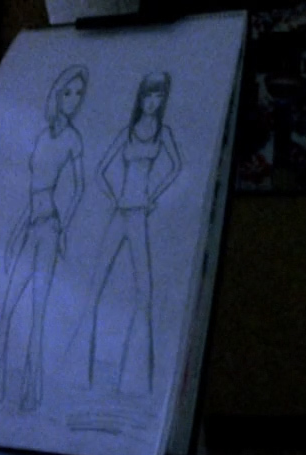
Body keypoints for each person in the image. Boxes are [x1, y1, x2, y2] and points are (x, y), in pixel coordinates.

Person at [0, 64, 89, 411]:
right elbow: (32, 189)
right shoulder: (43, 135)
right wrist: (17, 229)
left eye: (79, 95)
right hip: (31, 222)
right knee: (8, 306)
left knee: (37, 312)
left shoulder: (73, 139)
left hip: (49, 227)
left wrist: (63, 226)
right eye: (68, 93)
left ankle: (32, 393)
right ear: (57, 93)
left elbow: (79, 187)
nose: (73, 100)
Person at [88, 71, 181, 397]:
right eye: (148, 95)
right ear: (140, 98)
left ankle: (136, 380)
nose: (152, 102)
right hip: (120, 213)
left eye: (159, 96)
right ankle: (80, 374)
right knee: (96, 284)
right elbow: (99, 171)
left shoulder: (163, 133)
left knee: (144, 291)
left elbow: (176, 167)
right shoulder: (127, 133)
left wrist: (153, 194)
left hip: (139, 213)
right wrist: (114, 196)